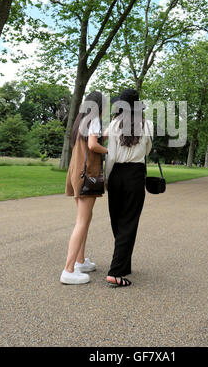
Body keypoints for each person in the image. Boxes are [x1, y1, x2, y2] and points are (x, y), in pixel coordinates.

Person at [105, 88, 153, 287]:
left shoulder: (115, 124)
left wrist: (107, 179)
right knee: (129, 221)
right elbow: (148, 150)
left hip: (117, 174)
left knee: (117, 220)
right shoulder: (147, 124)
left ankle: (121, 266)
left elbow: (111, 156)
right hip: (135, 174)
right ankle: (118, 269)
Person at [61, 91, 108, 285]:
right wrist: (109, 150)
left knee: (85, 218)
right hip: (87, 174)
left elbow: (89, 139)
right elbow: (92, 145)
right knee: (82, 221)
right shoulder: (94, 119)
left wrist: (105, 134)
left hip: (76, 173)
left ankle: (80, 261)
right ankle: (68, 269)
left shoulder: (82, 121)